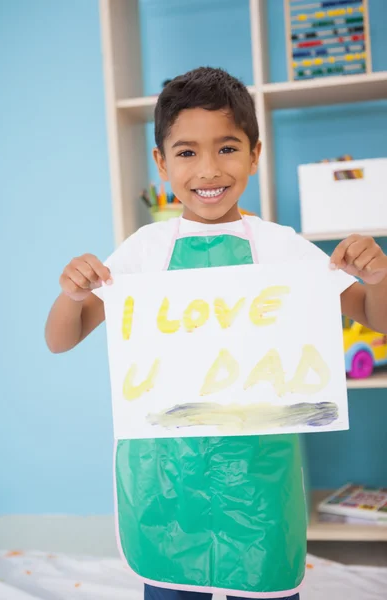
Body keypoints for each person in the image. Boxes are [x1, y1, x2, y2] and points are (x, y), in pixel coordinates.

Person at [45, 67, 387, 600]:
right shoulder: (142, 251)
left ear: (254, 153)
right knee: (171, 585)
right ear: (160, 162)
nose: (208, 169)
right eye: (186, 152)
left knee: (266, 581)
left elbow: (374, 314)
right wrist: (72, 294)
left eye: (227, 148)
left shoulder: (283, 248)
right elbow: (61, 339)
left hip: (258, 480)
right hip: (167, 482)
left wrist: (378, 276)